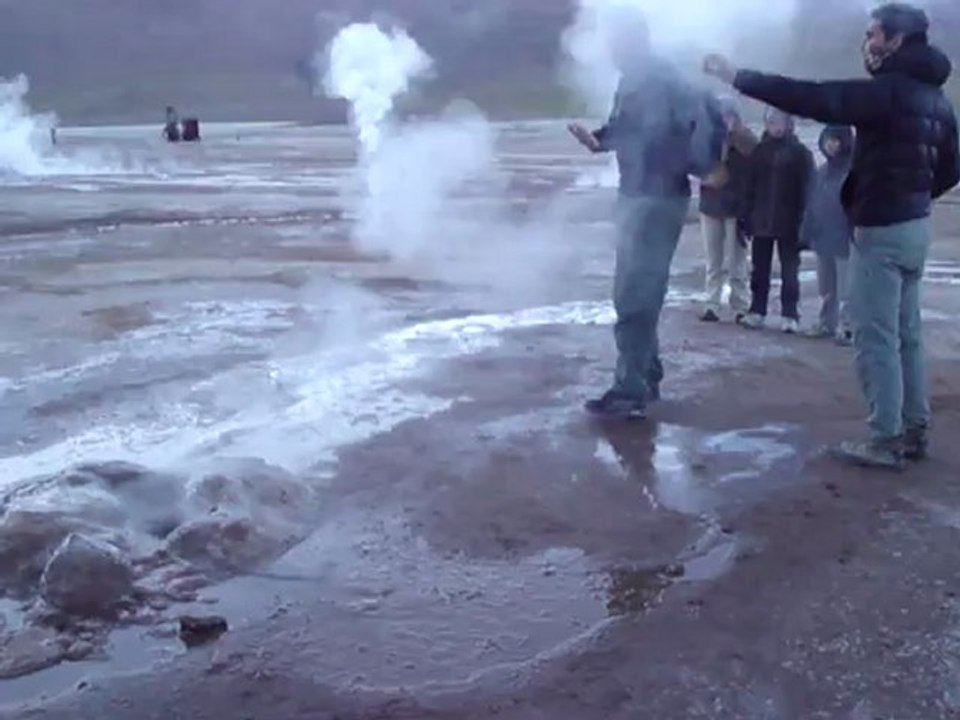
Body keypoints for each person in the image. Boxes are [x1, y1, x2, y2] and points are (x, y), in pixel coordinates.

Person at [704, 2, 960, 468]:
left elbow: (815, 98)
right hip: (915, 227)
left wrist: (739, 77)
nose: (867, 44)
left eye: (873, 35)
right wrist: (914, 195)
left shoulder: (888, 94)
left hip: (881, 229)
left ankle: (885, 438)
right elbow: (951, 169)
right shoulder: (938, 100)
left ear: (896, 41)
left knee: (875, 335)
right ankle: (914, 428)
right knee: (907, 334)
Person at [569, 8, 725, 419]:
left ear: (631, 39)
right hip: (641, 194)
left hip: (655, 199)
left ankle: (630, 389)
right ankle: (646, 374)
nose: (607, 47)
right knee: (639, 289)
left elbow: (673, 132)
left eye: (613, 40)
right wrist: (599, 140)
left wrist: (688, 164)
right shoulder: (638, 77)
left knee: (634, 295)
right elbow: (628, 127)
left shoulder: (659, 79)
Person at [739, 107, 814, 334]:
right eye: (772, 122)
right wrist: (746, 217)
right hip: (761, 221)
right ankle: (757, 310)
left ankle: (790, 314)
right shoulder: (759, 152)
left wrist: (806, 222)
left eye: (780, 122)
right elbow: (749, 187)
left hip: (790, 223)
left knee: (790, 271)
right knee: (759, 269)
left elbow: (808, 190)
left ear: (789, 124)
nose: (776, 127)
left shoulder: (801, 153)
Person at [698, 97, 758, 323]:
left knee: (737, 261)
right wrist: (706, 178)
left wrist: (735, 136)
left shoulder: (747, 140)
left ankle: (740, 305)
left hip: (737, 207)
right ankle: (712, 304)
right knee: (713, 260)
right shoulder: (707, 139)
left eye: (729, 115)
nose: (725, 120)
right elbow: (697, 165)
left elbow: (757, 170)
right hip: (711, 205)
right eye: (721, 115)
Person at [801, 125, 856, 344]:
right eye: (828, 140)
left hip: (845, 237)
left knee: (847, 287)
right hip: (823, 237)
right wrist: (807, 229)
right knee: (826, 286)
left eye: (836, 140)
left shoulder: (853, 171)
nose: (831, 145)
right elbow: (812, 203)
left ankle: (848, 326)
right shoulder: (822, 172)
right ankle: (826, 322)